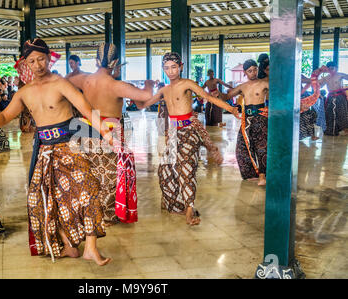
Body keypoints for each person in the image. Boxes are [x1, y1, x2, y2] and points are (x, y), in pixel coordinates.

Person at [0, 38, 112, 266]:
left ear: (49, 59)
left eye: (41, 59)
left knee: (88, 190)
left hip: (69, 147)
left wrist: (106, 134)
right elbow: (5, 117)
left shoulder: (61, 84)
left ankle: (90, 247)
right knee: (41, 201)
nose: (38, 65)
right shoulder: (24, 92)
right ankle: (68, 246)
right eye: (32, 61)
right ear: (26, 65)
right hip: (43, 152)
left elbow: (86, 109)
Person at [135, 52, 240, 226]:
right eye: (167, 68)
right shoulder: (163, 90)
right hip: (174, 133)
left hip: (190, 129)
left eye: (174, 67)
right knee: (165, 169)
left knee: (186, 167)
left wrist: (232, 109)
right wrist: (138, 91)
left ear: (181, 66)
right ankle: (176, 204)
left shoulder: (187, 84)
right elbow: (142, 105)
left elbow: (208, 98)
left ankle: (190, 208)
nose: (170, 71)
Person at [67, 43, 154, 226]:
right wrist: (149, 84)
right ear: (115, 63)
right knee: (109, 175)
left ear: (97, 61)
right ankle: (105, 216)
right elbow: (145, 96)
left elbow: (65, 81)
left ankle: (88, 211)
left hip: (84, 130)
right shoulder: (116, 85)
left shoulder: (84, 80)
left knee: (90, 173)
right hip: (107, 131)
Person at [221, 59, 269, 186]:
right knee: (242, 147)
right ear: (245, 73)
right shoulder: (242, 87)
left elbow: (278, 94)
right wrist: (218, 94)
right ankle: (251, 174)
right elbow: (227, 96)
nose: (253, 73)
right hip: (246, 118)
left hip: (260, 116)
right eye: (250, 71)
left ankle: (262, 176)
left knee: (261, 146)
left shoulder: (264, 83)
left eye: (255, 69)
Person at [314, 61, 348, 136]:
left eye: (332, 68)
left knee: (342, 114)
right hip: (330, 97)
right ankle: (330, 131)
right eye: (329, 69)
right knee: (329, 114)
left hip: (340, 97)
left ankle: (344, 130)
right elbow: (317, 85)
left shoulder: (340, 75)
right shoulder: (326, 77)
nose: (331, 70)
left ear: (336, 68)